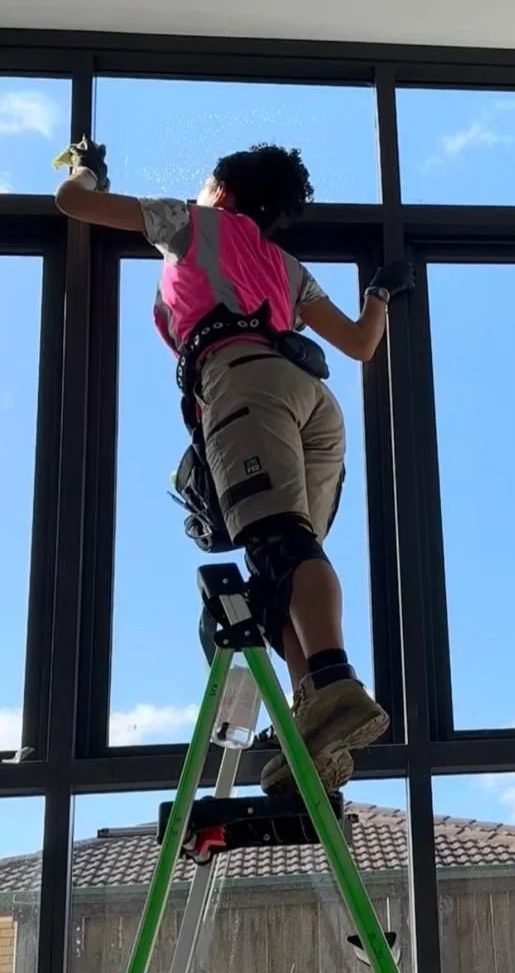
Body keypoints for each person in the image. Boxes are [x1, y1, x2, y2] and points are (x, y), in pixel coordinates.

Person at [54, 136, 414, 797]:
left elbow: (73, 203)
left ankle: (335, 684)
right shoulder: (287, 265)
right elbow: (361, 344)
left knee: (280, 545)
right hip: (314, 401)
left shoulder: (194, 225)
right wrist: (381, 296)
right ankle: (314, 719)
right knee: (280, 560)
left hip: (244, 381)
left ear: (219, 190)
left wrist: (88, 168)